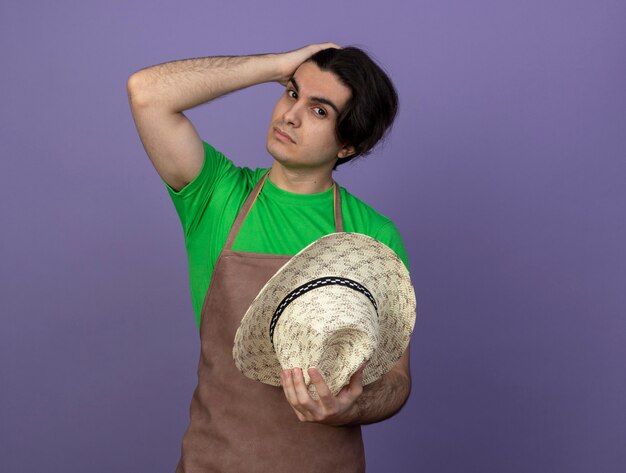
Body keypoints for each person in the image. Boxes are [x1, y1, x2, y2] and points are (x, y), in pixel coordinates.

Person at [127, 43, 413, 473]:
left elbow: (396, 381)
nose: (290, 115)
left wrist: (348, 409)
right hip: (214, 462)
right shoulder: (218, 195)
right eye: (292, 93)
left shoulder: (371, 237)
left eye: (320, 111)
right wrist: (276, 66)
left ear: (348, 145)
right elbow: (146, 91)